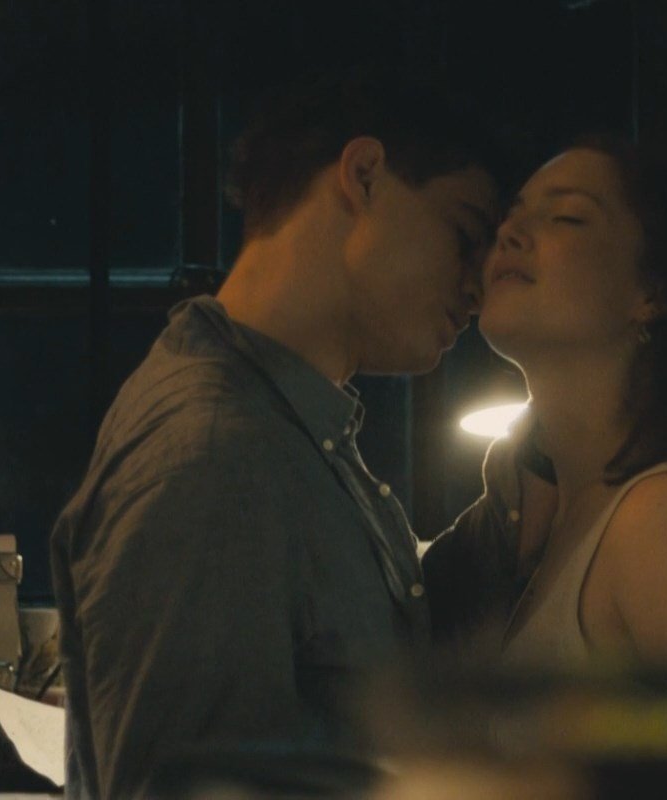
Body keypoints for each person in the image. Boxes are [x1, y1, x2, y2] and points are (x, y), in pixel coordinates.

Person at [48, 72, 506, 799]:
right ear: (364, 175)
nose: (479, 288)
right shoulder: (214, 457)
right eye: (465, 233)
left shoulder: (288, 429)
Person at [420, 135, 667, 757]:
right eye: (511, 216)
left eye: (566, 217)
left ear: (652, 290)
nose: (511, 233)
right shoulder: (554, 508)